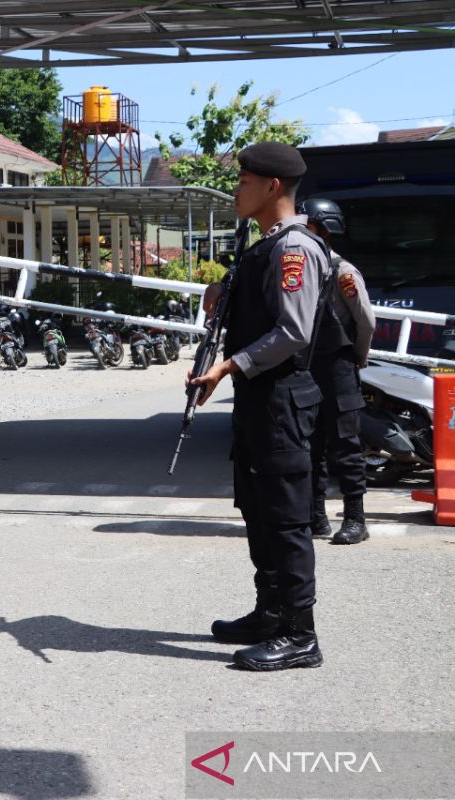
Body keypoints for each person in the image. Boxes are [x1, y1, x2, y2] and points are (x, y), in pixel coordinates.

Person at [189, 142, 329, 671]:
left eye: (244, 180)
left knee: (286, 519)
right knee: (258, 509)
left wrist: (230, 366)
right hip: (259, 399)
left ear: (273, 187)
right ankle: (270, 613)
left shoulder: (295, 248)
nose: (236, 189)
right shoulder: (263, 245)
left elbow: (292, 331)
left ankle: (300, 632)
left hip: (282, 399)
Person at [299, 198, 376, 545]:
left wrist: (356, 359)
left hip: (339, 366)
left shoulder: (343, 271)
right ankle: (316, 517)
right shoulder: (300, 270)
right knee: (309, 443)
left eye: (309, 227)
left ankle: (356, 520)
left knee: (345, 444)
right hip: (307, 365)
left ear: (324, 230)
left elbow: (365, 321)